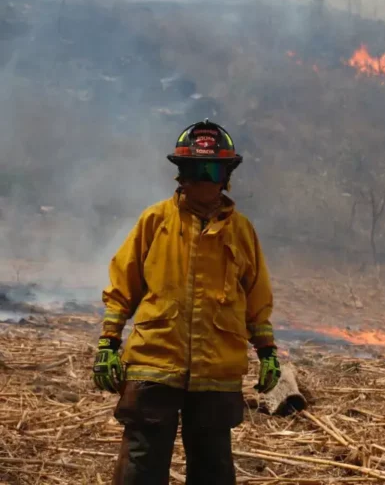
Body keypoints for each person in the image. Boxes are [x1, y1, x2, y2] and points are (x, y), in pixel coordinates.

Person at [92, 120, 281, 485]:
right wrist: (108, 342)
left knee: (213, 466)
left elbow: (257, 299)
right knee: (141, 463)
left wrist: (268, 352)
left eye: (212, 169)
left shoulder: (242, 232)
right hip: (154, 360)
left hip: (217, 370)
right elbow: (123, 285)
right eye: (195, 169)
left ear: (226, 175)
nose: (204, 179)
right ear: (180, 174)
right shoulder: (155, 221)